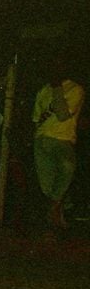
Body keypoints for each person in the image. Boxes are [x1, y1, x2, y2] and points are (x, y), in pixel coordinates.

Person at [31, 61, 84, 231]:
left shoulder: (75, 89)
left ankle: (53, 210)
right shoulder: (43, 90)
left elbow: (62, 115)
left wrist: (57, 88)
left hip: (63, 140)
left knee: (67, 167)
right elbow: (36, 119)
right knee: (48, 186)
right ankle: (56, 221)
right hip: (42, 140)